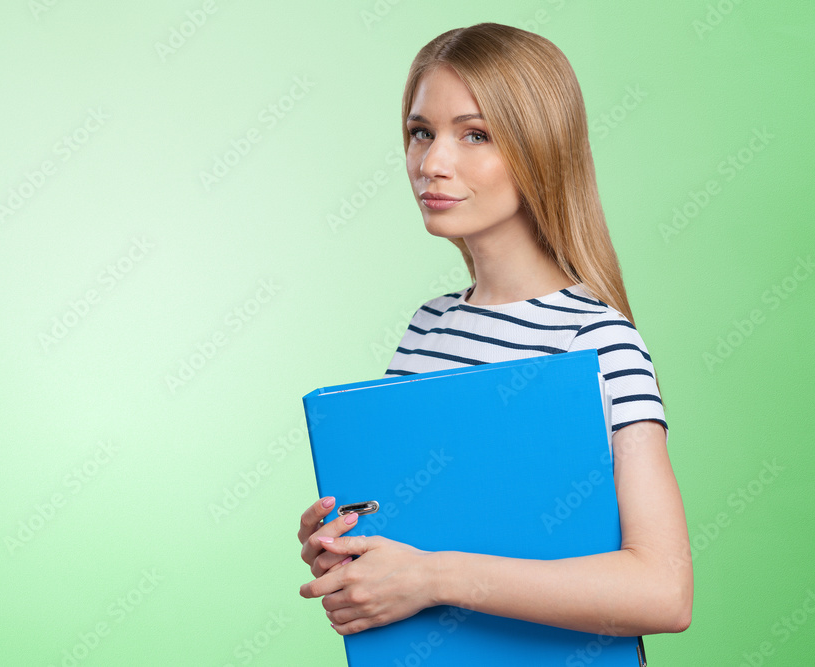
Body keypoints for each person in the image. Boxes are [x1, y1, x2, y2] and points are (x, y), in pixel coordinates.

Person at [297, 22, 693, 641]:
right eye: (420, 133)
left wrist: (434, 577)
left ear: (541, 149)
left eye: (474, 134)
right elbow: (419, 535)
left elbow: (663, 592)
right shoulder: (427, 329)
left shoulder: (597, 341)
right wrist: (347, 549)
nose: (432, 163)